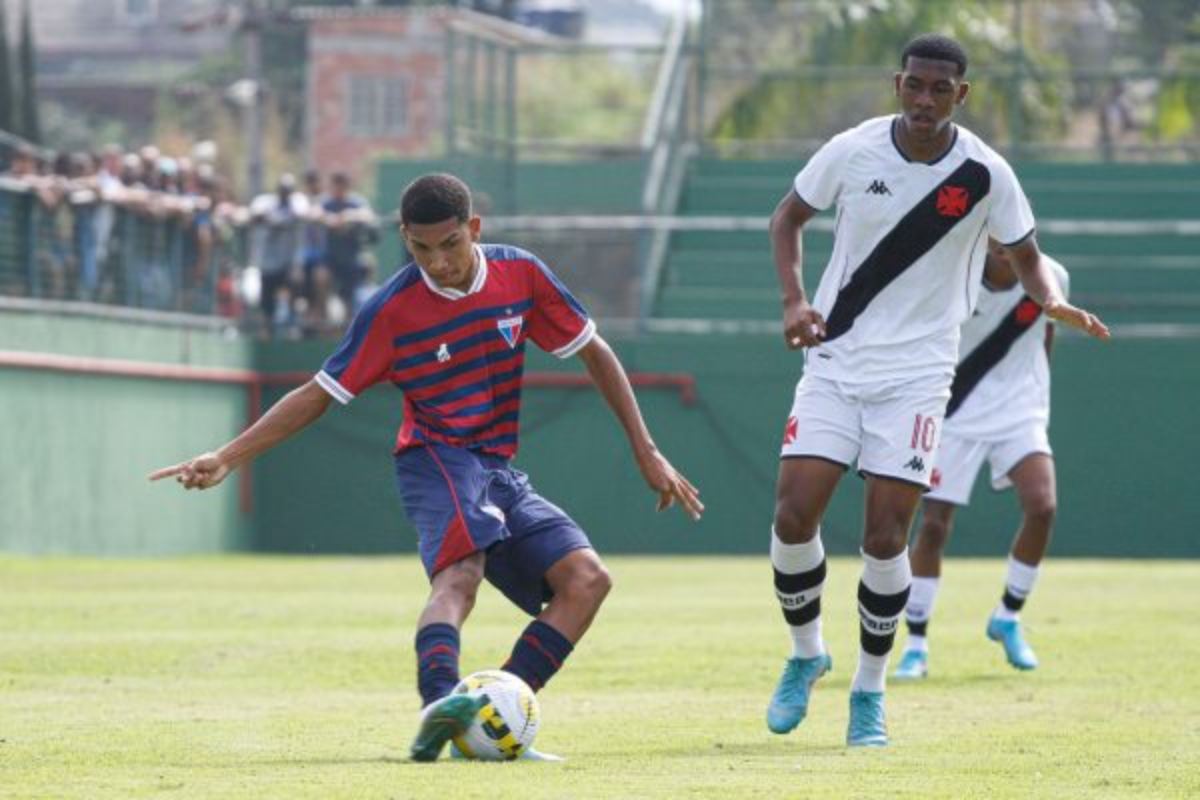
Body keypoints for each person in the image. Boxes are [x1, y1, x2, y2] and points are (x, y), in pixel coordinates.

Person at [149, 172, 703, 762]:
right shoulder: (391, 311)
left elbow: (595, 350)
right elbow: (317, 392)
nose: (437, 263)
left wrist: (646, 450)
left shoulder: (521, 274)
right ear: (404, 239)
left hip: (498, 469)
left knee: (588, 581)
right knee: (460, 572)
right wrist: (228, 457)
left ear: (474, 230)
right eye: (421, 249)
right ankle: (438, 704)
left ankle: (489, 720)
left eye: (450, 245)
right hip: (434, 455)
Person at [764, 33, 1108, 748]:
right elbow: (788, 218)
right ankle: (806, 656)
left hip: (919, 378)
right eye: (914, 85)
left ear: (962, 95)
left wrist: (1051, 302)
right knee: (795, 518)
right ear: (898, 83)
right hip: (835, 359)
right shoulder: (853, 150)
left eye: (939, 90)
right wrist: (795, 300)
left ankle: (869, 691)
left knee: (885, 536)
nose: (924, 100)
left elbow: (1029, 256)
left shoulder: (986, 173)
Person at [893, 243, 1069, 680]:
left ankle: (1008, 615)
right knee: (933, 526)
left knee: (1042, 506)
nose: (1007, 246)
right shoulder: (954, 279)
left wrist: (1034, 396)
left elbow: (1046, 335)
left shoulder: (1052, 276)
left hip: (1018, 412)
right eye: (998, 238)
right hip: (953, 414)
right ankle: (916, 645)